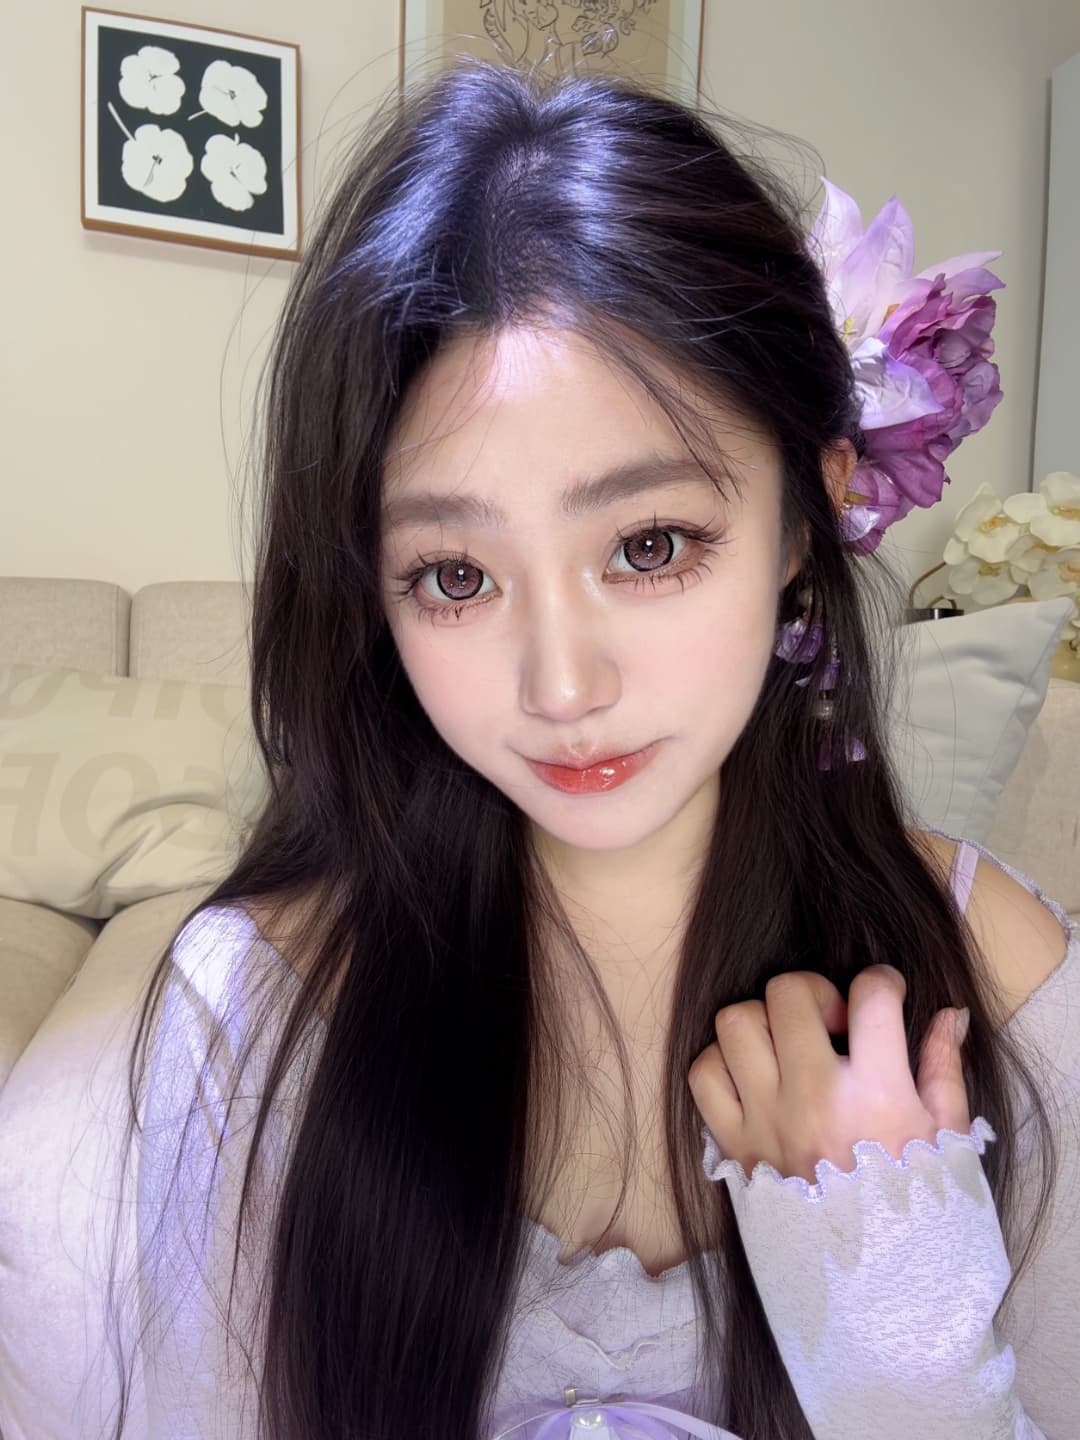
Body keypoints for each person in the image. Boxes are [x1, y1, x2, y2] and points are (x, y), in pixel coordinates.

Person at [99, 59, 1078, 1440]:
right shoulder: (258, 1012)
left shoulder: (1000, 980)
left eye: (651, 545)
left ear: (805, 520)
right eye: (454, 576)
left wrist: (900, 1346)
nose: (562, 686)